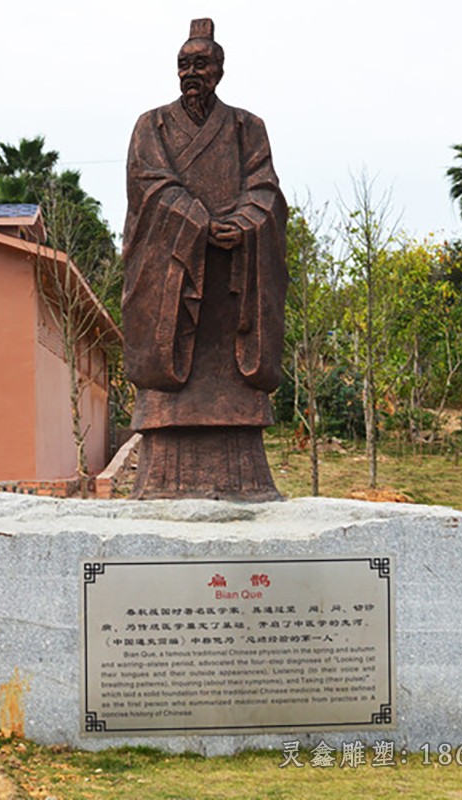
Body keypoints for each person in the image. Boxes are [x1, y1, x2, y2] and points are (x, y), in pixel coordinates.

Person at [122, 18, 287, 500]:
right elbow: (147, 183)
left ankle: (244, 476)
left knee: (230, 370)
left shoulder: (246, 127)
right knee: (174, 358)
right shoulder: (150, 124)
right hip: (174, 264)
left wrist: (245, 221)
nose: (191, 74)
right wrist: (195, 219)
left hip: (233, 273)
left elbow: (266, 188)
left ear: (219, 69)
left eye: (201, 64)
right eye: (184, 65)